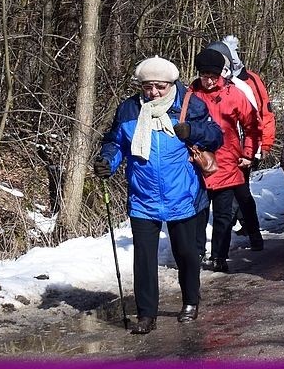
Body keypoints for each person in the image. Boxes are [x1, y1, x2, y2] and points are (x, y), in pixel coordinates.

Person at [93, 56, 223, 334]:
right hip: (143, 196)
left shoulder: (190, 105)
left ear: (171, 84)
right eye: (148, 87)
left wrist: (193, 130)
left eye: (160, 87)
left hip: (183, 194)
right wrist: (107, 162)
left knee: (187, 253)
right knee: (144, 259)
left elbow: (216, 136)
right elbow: (116, 143)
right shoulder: (129, 109)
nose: (153, 92)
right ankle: (146, 314)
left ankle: (191, 301)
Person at [189, 48, 261, 272]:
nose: (209, 81)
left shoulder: (234, 94)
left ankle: (219, 256)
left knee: (223, 215)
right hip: (198, 163)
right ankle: (197, 253)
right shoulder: (190, 95)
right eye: (204, 76)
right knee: (198, 213)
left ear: (220, 74)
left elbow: (253, 125)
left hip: (227, 161)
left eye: (213, 76)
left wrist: (248, 153)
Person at [207, 35, 269, 250]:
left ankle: (254, 233)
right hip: (212, 153)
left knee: (242, 194)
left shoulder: (240, 87)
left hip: (238, 153)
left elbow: (253, 121)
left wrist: (251, 152)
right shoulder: (201, 88)